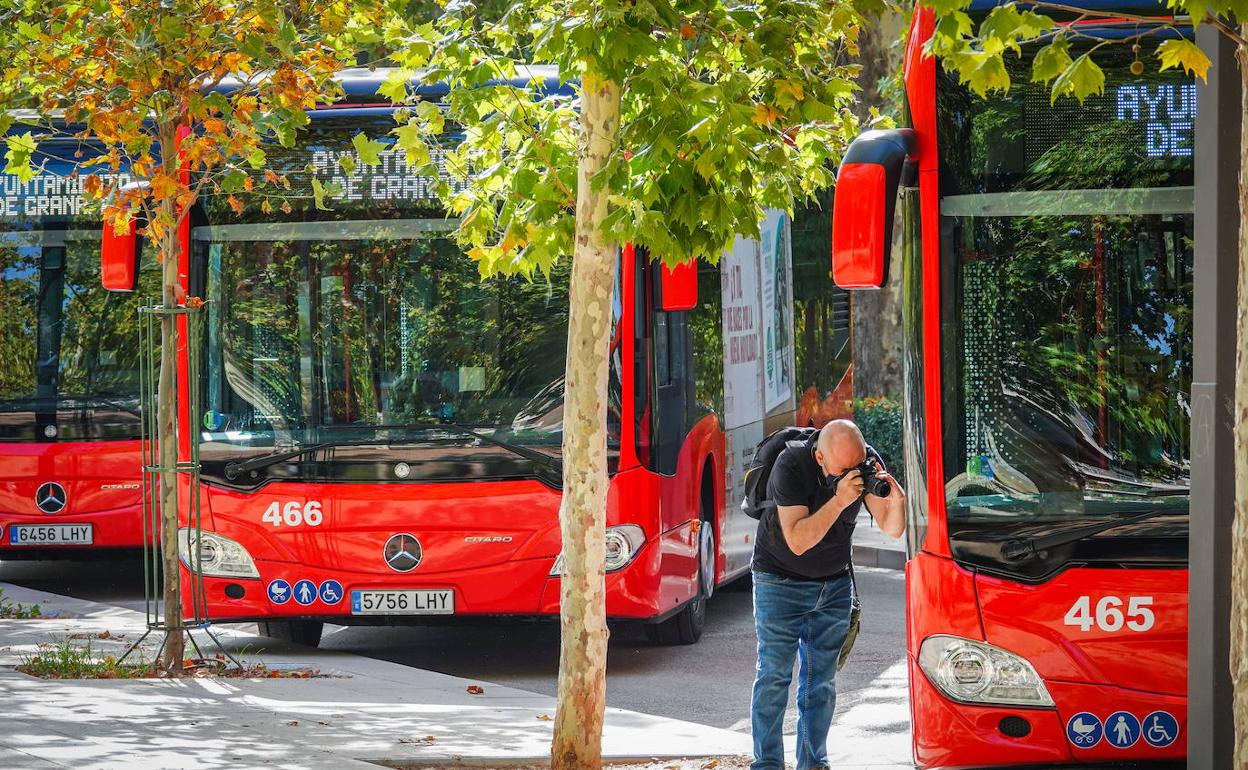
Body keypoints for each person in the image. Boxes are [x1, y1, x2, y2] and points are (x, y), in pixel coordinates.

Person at [749, 419, 906, 770]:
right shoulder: (790, 464)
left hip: (833, 585)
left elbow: (893, 530)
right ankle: (767, 765)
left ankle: (813, 763)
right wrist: (838, 501)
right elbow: (798, 541)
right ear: (819, 456)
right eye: (841, 470)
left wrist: (897, 502)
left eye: (857, 465)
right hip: (779, 581)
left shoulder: (863, 464)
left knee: (820, 683)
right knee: (774, 677)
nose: (851, 475)